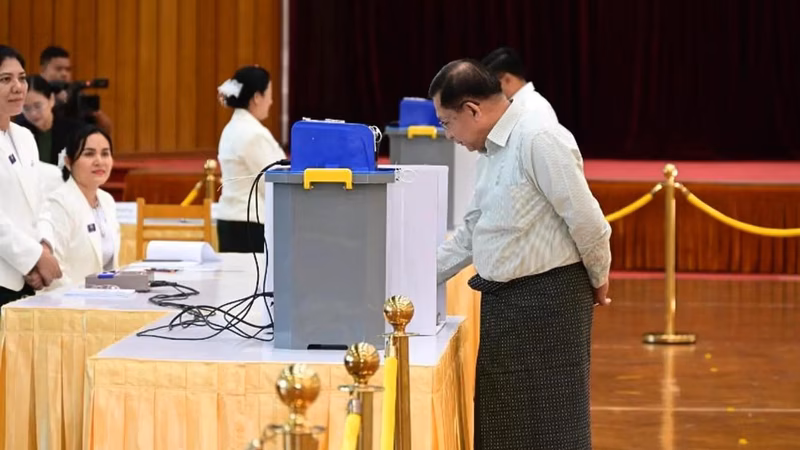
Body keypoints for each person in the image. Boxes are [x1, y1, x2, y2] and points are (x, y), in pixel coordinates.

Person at [430, 59, 611, 449]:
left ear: (472, 110)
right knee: (504, 429)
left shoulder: (538, 138)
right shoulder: (492, 150)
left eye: (446, 122)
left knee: (552, 429)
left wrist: (599, 277)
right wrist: (416, 274)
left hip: (550, 302)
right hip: (506, 305)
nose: (447, 135)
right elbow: (472, 233)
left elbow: (588, 221)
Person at [0, 45, 62, 306]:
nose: (18, 87)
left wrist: (45, 247)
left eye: (22, 78)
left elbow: (41, 203)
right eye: (5, 79)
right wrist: (35, 257)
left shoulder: (25, 137)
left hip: (28, 278)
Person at [36, 125, 119, 291]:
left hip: (106, 302)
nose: (99, 161)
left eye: (105, 153)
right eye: (89, 154)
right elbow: (54, 272)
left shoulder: (107, 200)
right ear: (68, 161)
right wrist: (85, 298)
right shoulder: (58, 203)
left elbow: (111, 267)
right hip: (67, 304)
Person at [216, 66, 286, 253]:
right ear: (257, 97)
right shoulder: (253, 134)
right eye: (269, 95)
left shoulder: (231, 128)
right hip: (250, 224)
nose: (271, 102)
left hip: (229, 221)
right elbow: (272, 181)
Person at [15, 75, 83, 165]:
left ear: (51, 100)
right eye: (26, 108)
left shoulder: (75, 131)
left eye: (38, 106)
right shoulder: (17, 132)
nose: (33, 113)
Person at [481, 47, 558, 123]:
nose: (491, 91)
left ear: (507, 79)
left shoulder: (533, 108)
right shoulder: (520, 107)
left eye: (492, 84)